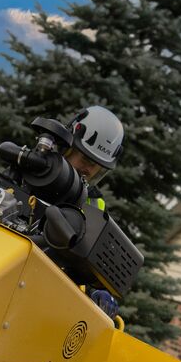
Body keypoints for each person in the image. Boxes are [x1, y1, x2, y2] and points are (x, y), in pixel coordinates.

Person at [64, 105, 125, 319]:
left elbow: (93, 264)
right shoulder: (32, 172)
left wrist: (98, 291)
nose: (89, 170)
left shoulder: (95, 203)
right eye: (86, 160)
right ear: (66, 148)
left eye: (96, 165)